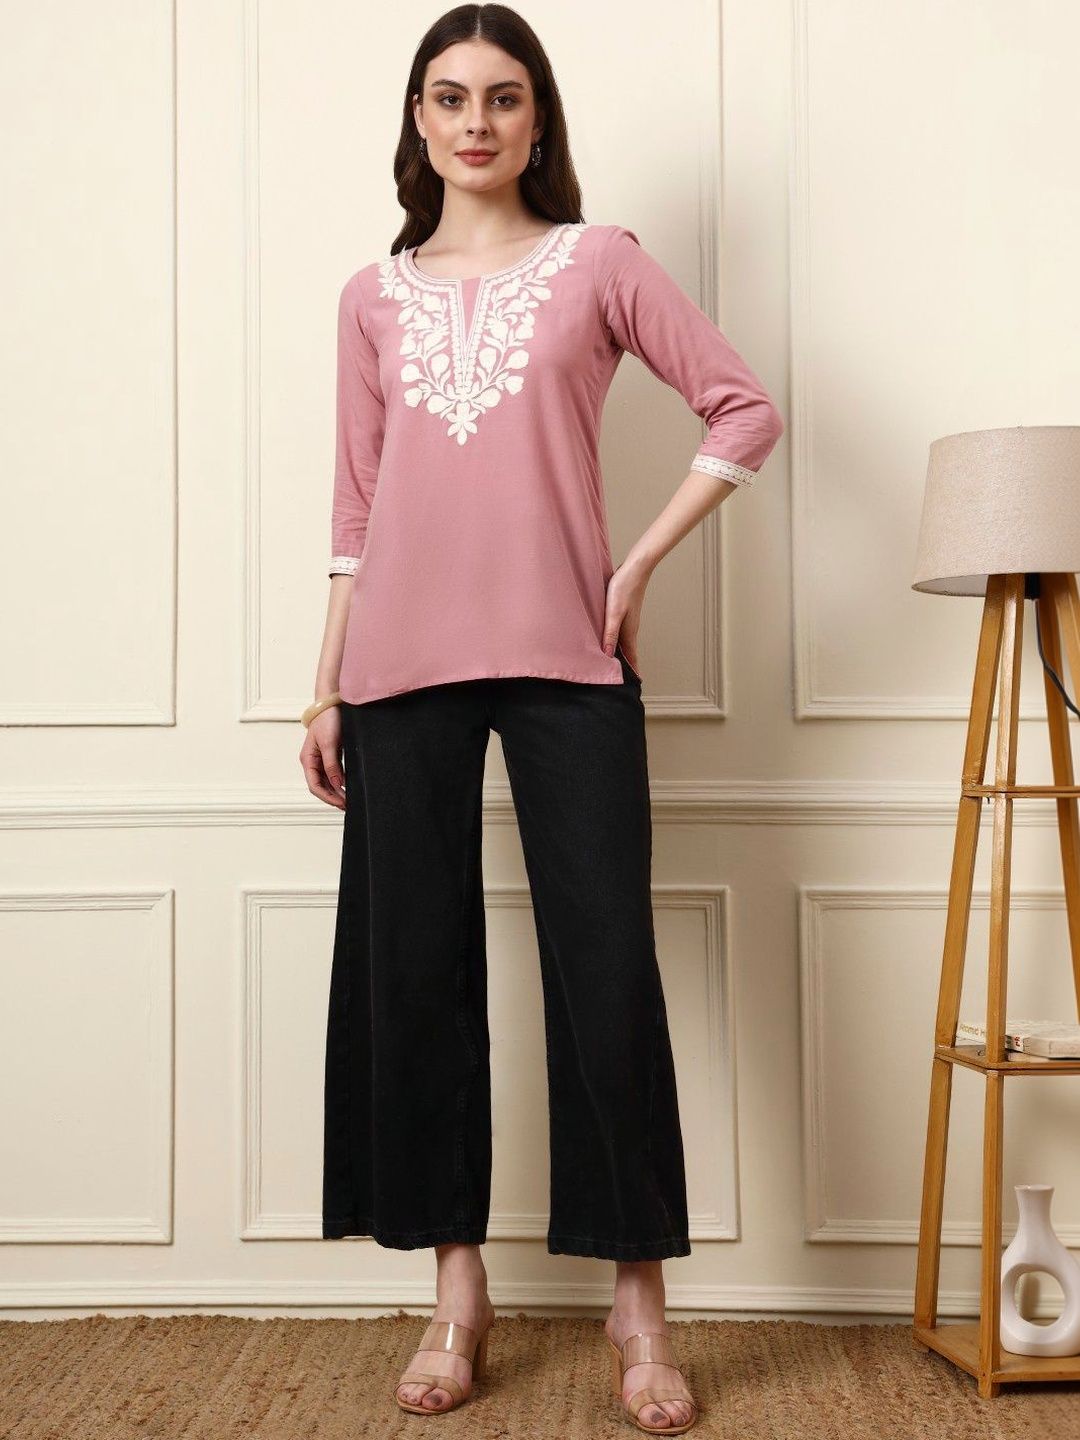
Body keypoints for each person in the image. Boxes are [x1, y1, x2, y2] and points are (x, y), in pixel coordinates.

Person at [299, 5, 783, 1434]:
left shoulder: (599, 264)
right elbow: (355, 512)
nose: (476, 122)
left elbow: (744, 408)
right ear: (418, 117)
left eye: (503, 98)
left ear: (537, 118)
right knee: (416, 977)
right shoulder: (371, 297)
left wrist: (634, 566)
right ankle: (459, 1292)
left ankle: (641, 1305)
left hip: (569, 659)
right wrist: (325, 683)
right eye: (450, 97)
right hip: (397, 666)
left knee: (607, 973)